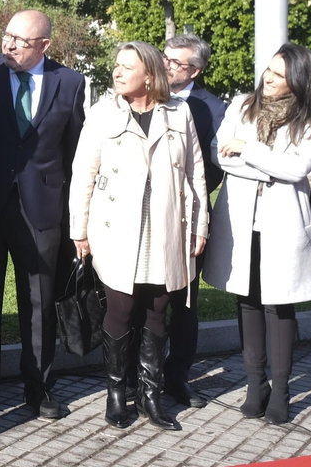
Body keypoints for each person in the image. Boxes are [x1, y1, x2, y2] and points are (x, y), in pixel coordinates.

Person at [0, 9, 86, 419]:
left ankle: (39, 386)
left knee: (39, 301)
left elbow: (75, 151)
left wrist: (76, 214)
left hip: (42, 209)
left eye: (20, 41)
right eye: (7, 36)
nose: (8, 45)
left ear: (44, 45)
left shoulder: (70, 82)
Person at [70, 43, 209, 431]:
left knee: (157, 311)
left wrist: (200, 224)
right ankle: (117, 394)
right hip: (117, 230)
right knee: (120, 310)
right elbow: (82, 174)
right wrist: (78, 230)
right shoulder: (102, 113)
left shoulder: (179, 112)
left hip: (166, 228)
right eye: (115, 65)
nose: (116, 72)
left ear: (149, 74)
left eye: (125, 67)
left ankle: (151, 396)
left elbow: (195, 173)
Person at [204, 43, 311, 424]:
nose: (268, 78)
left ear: (299, 80)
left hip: (283, 223)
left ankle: (281, 387)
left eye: (279, 74)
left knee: (280, 304)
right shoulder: (242, 104)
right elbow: (218, 154)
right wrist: (265, 164)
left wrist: (248, 149)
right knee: (247, 300)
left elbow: (297, 170)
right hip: (242, 220)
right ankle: (254, 383)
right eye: (269, 70)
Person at [161, 34, 227, 406]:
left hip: (189, 215)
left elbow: (215, 169)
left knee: (184, 302)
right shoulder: (143, 93)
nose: (167, 65)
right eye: (165, 57)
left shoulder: (212, 108)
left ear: (195, 70)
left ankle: (178, 376)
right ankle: (143, 373)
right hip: (142, 215)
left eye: (176, 62)